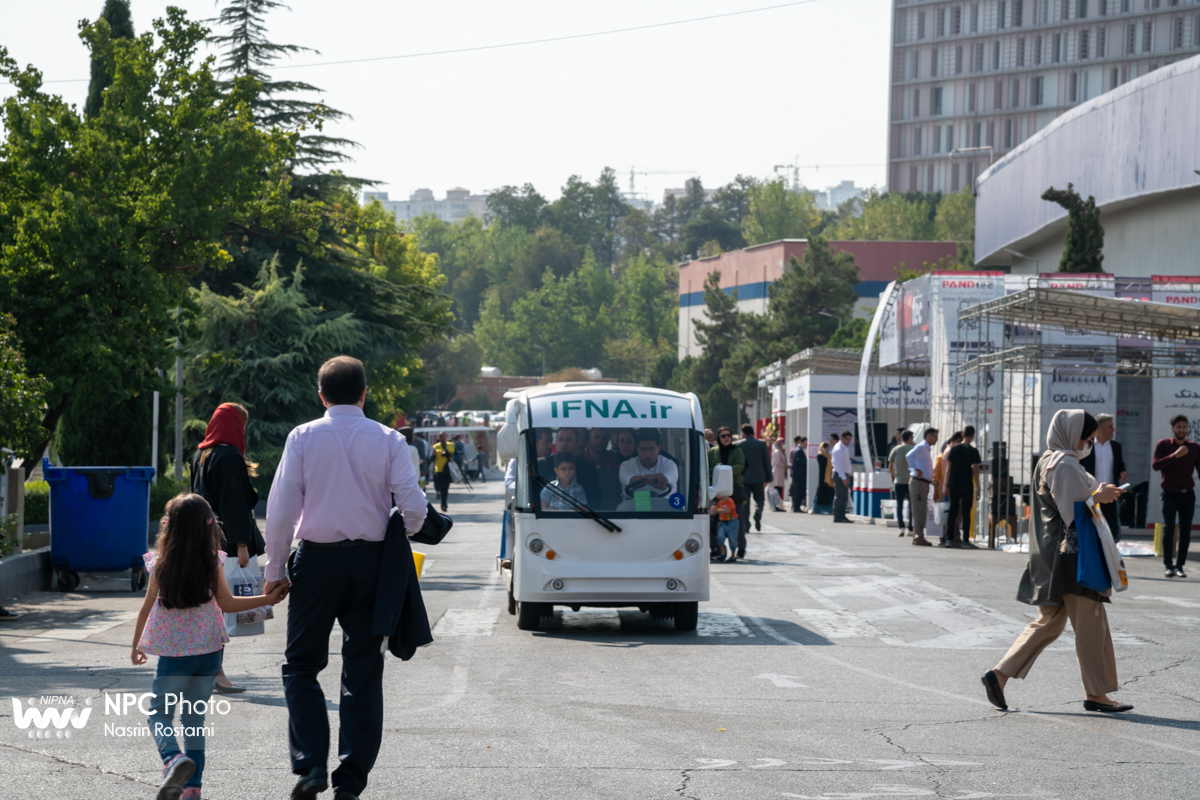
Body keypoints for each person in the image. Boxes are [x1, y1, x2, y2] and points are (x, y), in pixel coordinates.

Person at [265, 355, 428, 800]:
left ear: (321, 396)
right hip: (373, 567)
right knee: (363, 668)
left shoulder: (302, 437)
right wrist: (403, 529)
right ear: (364, 393)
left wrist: (274, 569)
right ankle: (350, 782)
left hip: (315, 564)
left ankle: (312, 766)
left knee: (301, 666)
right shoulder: (389, 439)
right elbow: (413, 507)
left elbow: (281, 511)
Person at [132, 493, 285, 800]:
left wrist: (137, 645)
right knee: (193, 719)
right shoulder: (213, 559)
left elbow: (147, 607)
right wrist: (267, 599)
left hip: (174, 656)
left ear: (169, 528)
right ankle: (191, 788)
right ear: (208, 527)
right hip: (210, 654)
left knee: (159, 715)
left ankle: (173, 759)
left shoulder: (160, 564)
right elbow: (227, 604)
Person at [982, 409, 1129, 714]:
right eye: (1085, 438)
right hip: (1073, 559)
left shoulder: (1049, 460)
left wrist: (1096, 493)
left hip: (1050, 555)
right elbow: (1075, 511)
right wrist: (1098, 496)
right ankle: (1096, 693)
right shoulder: (1063, 464)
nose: (1087, 445)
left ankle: (999, 675)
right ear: (1071, 434)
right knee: (1091, 624)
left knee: (1049, 622)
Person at [190, 402, 263, 695]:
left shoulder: (200, 454)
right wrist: (242, 545)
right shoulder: (229, 456)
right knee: (222, 609)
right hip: (228, 547)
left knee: (210, 609)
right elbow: (234, 504)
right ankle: (216, 673)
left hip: (203, 541)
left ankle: (208, 671)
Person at [1152, 413, 1200, 578]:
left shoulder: (1194, 447)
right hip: (1169, 494)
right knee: (1169, 528)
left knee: (1186, 531)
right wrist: (1175, 455)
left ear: (1187, 429)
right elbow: (1155, 465)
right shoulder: (1163, 444)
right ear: (1172, 429)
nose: (1181, 430)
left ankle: (1180, 566)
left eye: (1184, 427)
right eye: (1178, 427)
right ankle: (1168, 566)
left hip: (1187, 494)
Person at [1081, 413, 1127, 542]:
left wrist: (1122, 473)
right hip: (1091, 495)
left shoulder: (1116, 446)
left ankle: (1110, 556)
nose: (1113, 429)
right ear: (1100, 428)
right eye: (1110, 427)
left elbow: (1120, 466)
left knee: (1111, 529)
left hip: (1110, 495)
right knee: (1092, 528)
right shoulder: (1087, 446)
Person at [538, 428, 602, 504]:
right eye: (560, 439)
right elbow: (535, 497)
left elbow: (596, 499)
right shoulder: (542, 463)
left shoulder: (588, 467)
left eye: (568, 440)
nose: (563, 443)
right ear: (555, 442)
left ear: (577, 444)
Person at [709, 427, 746, 557]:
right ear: (718, 438)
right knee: (712, 521)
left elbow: (741, 466)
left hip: (734, 490)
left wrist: (725, 470)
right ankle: (716, 548)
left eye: (728, 436)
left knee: (738, 521)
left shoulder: (737, 451)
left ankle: (740, 547)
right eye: (723, 436)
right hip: (716, 490)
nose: (726, 438)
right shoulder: (713, 452)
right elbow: (707, 467)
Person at [944, 425, 983, 548]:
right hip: (967, 485)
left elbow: (948, 469)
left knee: (952, 512)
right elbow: (975, 471)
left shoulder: (954, 449)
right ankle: (966, 540)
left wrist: (946, 484)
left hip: (954, 484)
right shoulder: (973, 451)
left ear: (962, 435)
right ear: (972, 436)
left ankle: (949, 539)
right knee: (967, 513)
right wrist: (978, 488)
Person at [738, 424, 773, 551]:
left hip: (744, 478)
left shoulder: (739, 444)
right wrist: (769, 476)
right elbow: (766, 461)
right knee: (759, 499)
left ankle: (746, 524)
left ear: (743, 433)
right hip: (759, 478)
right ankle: (758, 512)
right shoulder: (761, 444)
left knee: (745, 502)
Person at [618, 429, 679, 499]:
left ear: (659, 448)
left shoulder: (670, 465)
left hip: (664, 507)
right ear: (637, 449)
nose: (647, 453)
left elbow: (664, 483)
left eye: (651, 449)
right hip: (632, 507)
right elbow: (630, 482)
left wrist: (647, 479)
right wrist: (652, 479)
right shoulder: (626, 465)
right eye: (643, 449)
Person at [904, 428, 937, 546]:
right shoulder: (922, 446)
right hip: (919, 482)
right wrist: (914, 468)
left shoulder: (925, 448)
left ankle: (918, 535)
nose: (936, 439)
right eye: (935, 436)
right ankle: (919, 536)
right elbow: (909, 456)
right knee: (918, 510)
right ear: (928, 435)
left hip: (923, 483)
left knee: (921, 510)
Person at [888, 430, 915, 537]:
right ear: (909, 438)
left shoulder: (895, 449)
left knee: (899, 505)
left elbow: (890, 464)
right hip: (910, 481)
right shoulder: (913, 449)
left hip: (898, 481)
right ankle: (911, 528)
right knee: (912, 506)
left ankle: (901, 528)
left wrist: (893, 475)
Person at [709, 488, 740, 563]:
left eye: (717, 494)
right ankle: (722, 554)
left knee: (732, 540)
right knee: (720, 537)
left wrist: (716, 510)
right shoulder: (720, 502)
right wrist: (707, 515)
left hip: (732, 522)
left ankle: (733, 556)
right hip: (722, 522)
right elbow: (715, 512)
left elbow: (727, 511)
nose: (716, 496)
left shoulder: (729, 501)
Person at [932, 431, 963, 503]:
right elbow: (936, 477)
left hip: (945, 486)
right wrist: (935, 492)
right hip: (945, 487)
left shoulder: (947, 454)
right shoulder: (941, 457)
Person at [831, 430, 854, 523]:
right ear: (842, 438)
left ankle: (842, 515)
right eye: (847, 439)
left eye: (850, 439)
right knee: (840, 496)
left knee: (844, 497)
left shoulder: (844, 448)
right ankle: (837, 516)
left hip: (844, 474)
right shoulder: (838, 449)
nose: (849, 441)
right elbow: (838, 465)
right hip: (840, 475)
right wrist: (843, 478)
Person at [432, 431, 456, 512]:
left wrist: (452, 458)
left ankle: (444, 503)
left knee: (446, 488)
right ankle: (444, 504)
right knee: (442, 488)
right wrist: (433, 455)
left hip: (449, 470)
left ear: (446, 437)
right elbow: (432, 459)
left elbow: (456, 455)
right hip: (440, 470)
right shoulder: (436, 446)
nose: (442, 438)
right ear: (439, 437)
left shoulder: (451, 445)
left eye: (443, 436)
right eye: (440, 436)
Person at [813, 441, 835, 515]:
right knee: (820, 493)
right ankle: (816, 509)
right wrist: (825, 455)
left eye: (828, 448)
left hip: (829, 478)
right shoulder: (820, 456)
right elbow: (822, 465)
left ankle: (827, 509)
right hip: (822, 477)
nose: (827, 450)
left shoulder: (830, 456)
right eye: (826, 448)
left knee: (829, 493)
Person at [789, 436, 807, 513]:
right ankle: (796, 507)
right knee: (798, 491)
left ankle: (796, 506)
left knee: (798, 491)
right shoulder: (799, 450)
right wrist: (806, 461)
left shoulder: (797, 449)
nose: (806, 445)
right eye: (805, 443)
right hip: (800, 475)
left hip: (798, 475)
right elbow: (799, 461)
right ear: (801, 442)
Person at [771, 438, 788, 511]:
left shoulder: (779, 451)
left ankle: (778, 506)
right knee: (777, 491)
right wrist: (785, 465)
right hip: (777, 473)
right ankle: (777, 506)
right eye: (783, 443)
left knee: (778, 490)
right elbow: (778, 462)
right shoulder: (777, 451)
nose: (784, 445)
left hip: (779, 473)